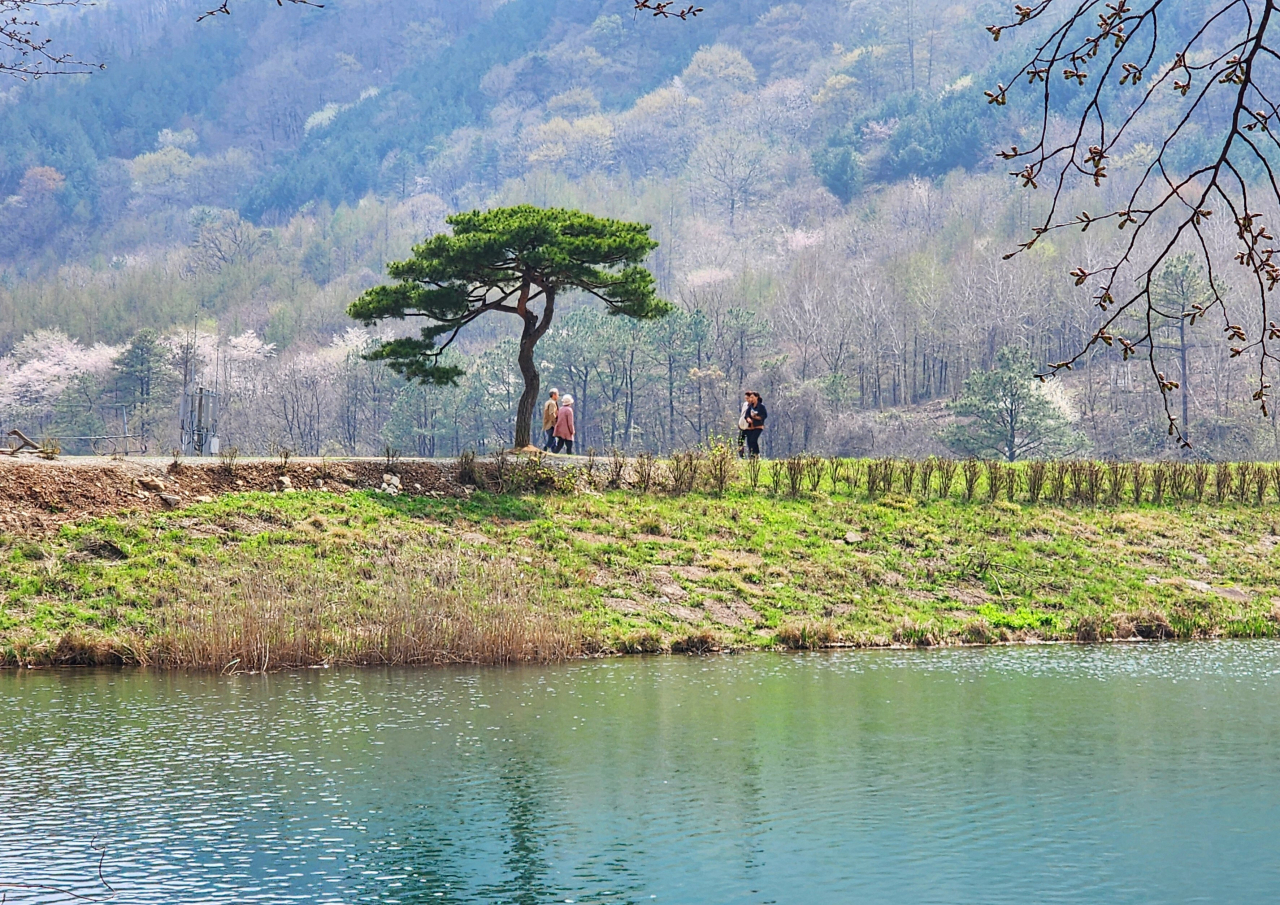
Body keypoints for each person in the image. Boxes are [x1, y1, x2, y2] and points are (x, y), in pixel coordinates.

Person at [743, 391, 766, 457]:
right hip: (750, 427)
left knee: (753, 439)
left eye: (752, 397)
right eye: (750, 397)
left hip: (758, 426)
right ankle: (752, 455)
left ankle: (757, 454)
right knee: (749, 441)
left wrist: (756, 417)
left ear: (757, 397)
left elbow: (764, 415)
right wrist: (748, 419)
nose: (751, 399)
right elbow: (746, 415)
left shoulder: (761, 406)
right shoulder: (750, 406)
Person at [737, 391, 752, 457]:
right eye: (746, 398)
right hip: (743, 426)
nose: (747, 400)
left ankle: (752, 457)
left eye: (748, 398)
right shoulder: (745, 404)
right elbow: (742, 415)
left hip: (750, 427)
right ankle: (741, 456)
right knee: (740, 441)